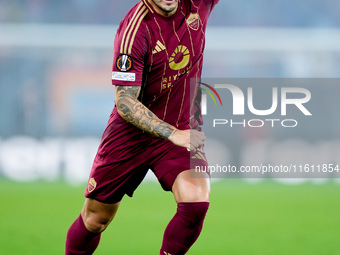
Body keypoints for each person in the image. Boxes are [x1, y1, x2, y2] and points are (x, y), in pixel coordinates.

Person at [65, 0, 219, 254]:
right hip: (131, 133)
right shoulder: (134, 31)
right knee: (96, 219)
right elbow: (125, 101)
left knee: (196, 202)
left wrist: (176, 132)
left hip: (180, 125)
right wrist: (172, 134)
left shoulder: (197, 4)